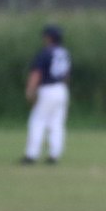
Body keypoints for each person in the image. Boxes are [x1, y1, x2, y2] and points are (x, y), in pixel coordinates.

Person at [22, 24, 70, 165]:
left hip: (47, 88)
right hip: (61, 88)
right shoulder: (64, 52)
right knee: (57, 123)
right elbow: (67, 74)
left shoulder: (45, 53)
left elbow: (37, 73)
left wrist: (30, 89)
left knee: (37, 120)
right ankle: (54, 155)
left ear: (49, 37)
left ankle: (31, 155)